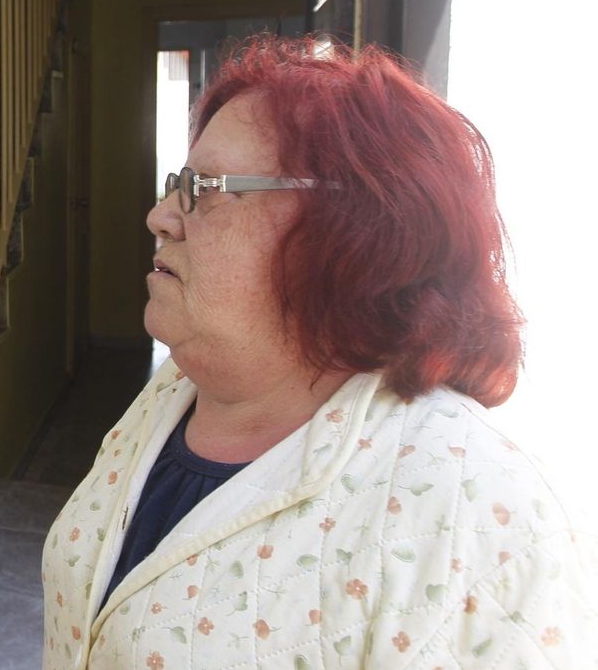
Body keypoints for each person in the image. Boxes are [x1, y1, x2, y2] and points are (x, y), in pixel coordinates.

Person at [42, 38, 595, 668]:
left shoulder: (490, 526)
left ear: (357, 234)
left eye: (207, 188)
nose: (161, 216)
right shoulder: (177, 391)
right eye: (179, 183)